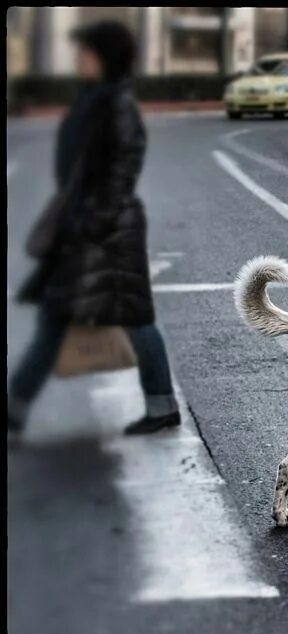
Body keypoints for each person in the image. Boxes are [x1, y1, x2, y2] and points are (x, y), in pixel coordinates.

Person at [8, 21, 181, 436]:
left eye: (86, 53)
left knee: (132, 316)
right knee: (59, 312)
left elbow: (123, 169)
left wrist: (92, 223)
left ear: (106, 57)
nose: (79, 59)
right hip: (86, 225)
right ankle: (15, 405)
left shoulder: (116, 105)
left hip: (107, 232)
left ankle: (161, 406)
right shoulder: (96, 99)